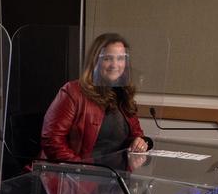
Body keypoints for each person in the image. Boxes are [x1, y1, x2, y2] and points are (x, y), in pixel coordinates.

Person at [39, 32, 150, 163]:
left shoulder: (123, 93)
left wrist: (140, 142)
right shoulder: (73, 92)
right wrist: (82, 169)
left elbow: (136, 134)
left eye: (120, 58)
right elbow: (51, 140)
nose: (115, 65)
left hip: (117, 172)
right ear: (95, 61)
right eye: (107, 58)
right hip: (78, 172)